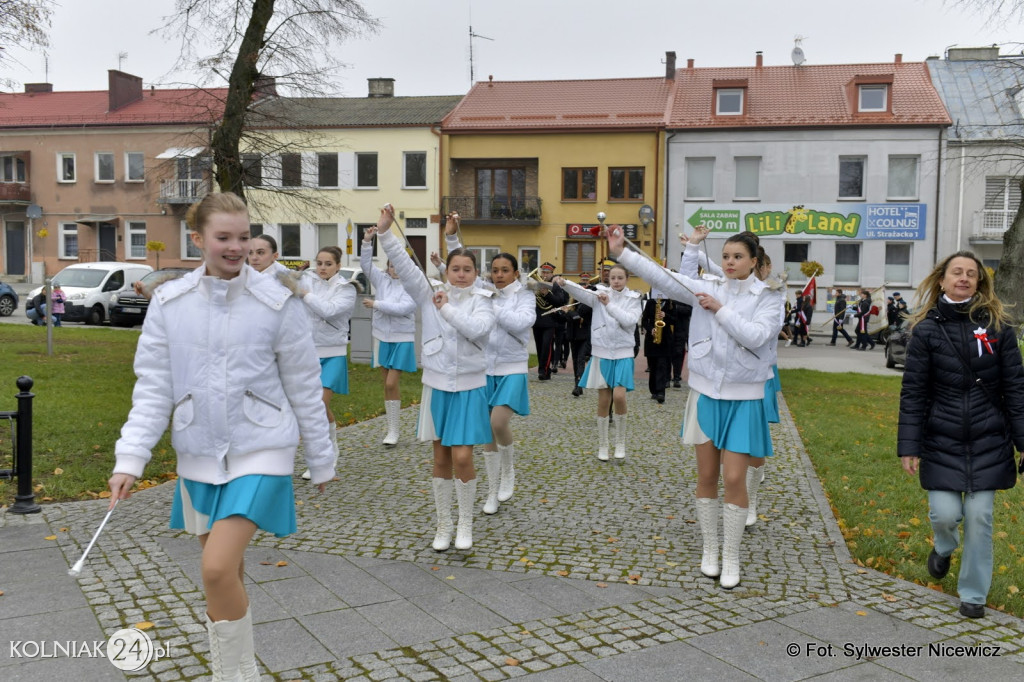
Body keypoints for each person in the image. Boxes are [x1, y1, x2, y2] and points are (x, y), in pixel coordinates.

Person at [108, 192, 336, 681]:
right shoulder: (170, 303)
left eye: (243, 237)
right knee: (226, 573)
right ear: (198, 239)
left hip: (264, 447)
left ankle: (234, 676)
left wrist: (321, 456)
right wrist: (130, 458)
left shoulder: (277, 300)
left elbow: (303, 382)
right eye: (223, 237)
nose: (236, 247)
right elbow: (154, 387)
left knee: (214, 569)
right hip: (200, 453)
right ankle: (235, 668)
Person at [610, 225, 782, 589]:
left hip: (744, 398)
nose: (730, 262)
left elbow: (754, 335)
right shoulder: (709, 287)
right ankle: (710, 548)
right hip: (705, 394)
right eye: (725, 256)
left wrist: (719, 310)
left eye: (738, 257)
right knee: (706, 476)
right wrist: (623, 252)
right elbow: (667, 278)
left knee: (734, 477)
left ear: (754, 261)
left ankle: (731, 555)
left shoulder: (769, 296)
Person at [898, 251, 1024, 619]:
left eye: (972, 273)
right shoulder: (925, 331)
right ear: (942, 279)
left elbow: (1016, 389)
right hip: (941, 439)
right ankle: (943, 545)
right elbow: (914, 392)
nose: (964, 278)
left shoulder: (999, 327)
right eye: (957, 272)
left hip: (990, 439)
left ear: (980, 282)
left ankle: (973, 594)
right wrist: (909, 444)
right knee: (945, 514)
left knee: (981, 516)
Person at [371, 208, 494, 551]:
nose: (460, 275)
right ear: (447, 271)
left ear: (475, 273)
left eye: (467, 270)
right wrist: (384, 235)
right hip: (437, 386)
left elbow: (478, 331)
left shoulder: (484, 302)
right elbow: (408, 266)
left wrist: (447, 309)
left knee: (463, 458)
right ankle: (444, 524)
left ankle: (466, 523)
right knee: (440, 458)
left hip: (470, 388)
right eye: (455, 269)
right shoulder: (428, 292)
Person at [554, 264, 642, 461]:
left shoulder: (634, 299)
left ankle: (620, 442)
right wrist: (564, 282)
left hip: (623, 353)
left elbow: (629, 321)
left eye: (620, 278)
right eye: (613, 278)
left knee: (619, 396)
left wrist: (609, 304)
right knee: (604, 399)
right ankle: (603, 445)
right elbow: (581, 293)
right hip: (602, 352)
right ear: (608, 279)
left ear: (627, 279)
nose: (616, 281)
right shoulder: (599, 294)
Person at [292, 246, 358, 480]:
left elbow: (329, 311)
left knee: (319, 406)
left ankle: (324, 458)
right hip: (307, 352)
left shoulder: (347, 288)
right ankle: (322, 453)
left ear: (338, 266)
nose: (322, 268)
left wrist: (304, 294)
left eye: (328, 263)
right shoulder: (306, 280)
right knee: (314, 409)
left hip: (333, 353)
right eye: (319, 263)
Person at [480, 252, 535, 513]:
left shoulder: (525, 296)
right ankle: (491, 491)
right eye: (495, 270)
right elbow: (460, 270)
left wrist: (493, 305)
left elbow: (521, 322)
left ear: (515, 273)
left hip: (513, 367)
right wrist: (452, 239)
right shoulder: (486, 292)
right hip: (485, 369)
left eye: (504, 270)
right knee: (486, 432)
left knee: (497, 422)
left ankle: (508, 469)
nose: (498, 275)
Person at [360, 236, 417, 447]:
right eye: (391, 265)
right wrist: (367, 242)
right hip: (382, 336)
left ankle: (394, 429)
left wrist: (377, 304)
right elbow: (365, 265)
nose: (395, 269)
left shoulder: (412, 286)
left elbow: (404, 308)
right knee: (386, 385)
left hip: (402, 338)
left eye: (398, 265)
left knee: (392, 382)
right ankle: (392, 429)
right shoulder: (382, 280)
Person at [532, 263, 568, 380]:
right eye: (543, 272)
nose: (545, 275)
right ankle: (543, 370)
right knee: (539, 346)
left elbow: (560, 301)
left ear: (552, 274)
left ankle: (544, 370)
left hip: (549, 321)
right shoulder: (536, 284)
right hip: (537, 320)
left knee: (546, 346)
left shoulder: (555, 286)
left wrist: (547, 294)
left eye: (547, 273)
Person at [642, 290, 674, 403]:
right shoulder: (651, 302)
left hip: (665, 340)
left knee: (662, 365)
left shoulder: (670, 303)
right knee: (653, 366)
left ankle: (661, 392)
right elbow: (644, 320)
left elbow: (676, 320)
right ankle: (654, 390)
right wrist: (651, 329)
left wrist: (666, 315)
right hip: (652, 339)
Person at [566, 272, 595, 398]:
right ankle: (577, 383)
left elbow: (579, 315)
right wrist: (562, 312)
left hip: (584, 336)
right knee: (575, 360)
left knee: (581, 360)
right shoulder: (573, 303)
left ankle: (578, 386)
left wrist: (569, 312)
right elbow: (566, 319)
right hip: (573, 336)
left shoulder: (587, 303)